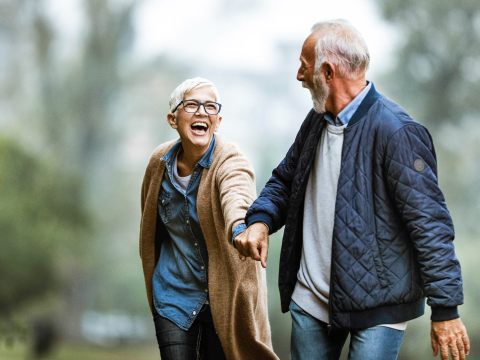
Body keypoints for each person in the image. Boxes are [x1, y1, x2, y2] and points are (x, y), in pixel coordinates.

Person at [234, 20, 470, 360]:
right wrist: (260, 221)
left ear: (328, 72)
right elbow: (286, 180)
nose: (299, 77)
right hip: (310, 301)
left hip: (380, 308)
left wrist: (446, 310)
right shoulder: (316, 120)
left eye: (304, 67)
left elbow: (430, 225)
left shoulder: (398, 132)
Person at [139, 78, 278, 360]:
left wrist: (241, 228)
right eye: (191, 105)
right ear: (173, 118)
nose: (202, 112)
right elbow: (150, 226)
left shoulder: (230, 159)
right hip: (172, 292)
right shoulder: (159, 163)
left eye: (210, 106)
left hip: (223, 295)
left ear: (218, 120)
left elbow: (237, 196)